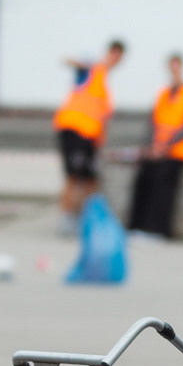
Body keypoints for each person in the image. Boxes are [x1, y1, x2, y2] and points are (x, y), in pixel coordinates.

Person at [130, 51, 183, 239]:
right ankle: (136, 227)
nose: (174, 72)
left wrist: (164, 146)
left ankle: (158, 230)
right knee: (143, 177)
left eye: (177, 67)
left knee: (163, 182)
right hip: (160, 150)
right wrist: (151, 146)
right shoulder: (163, 93)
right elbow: (152, 123)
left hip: (181, 151)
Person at [52, 41, 123, 232]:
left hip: (91, 135)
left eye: (118, 58)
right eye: (113, 55)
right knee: (73, 175)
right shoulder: (91, 71)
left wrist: (100, 139)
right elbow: (70, 61)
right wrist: (89, 63)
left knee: (90, 178)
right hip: (74, 128)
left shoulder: (105, 84)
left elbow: (103, 115)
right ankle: (67, 219)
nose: (114, 60)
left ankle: (84, 218)